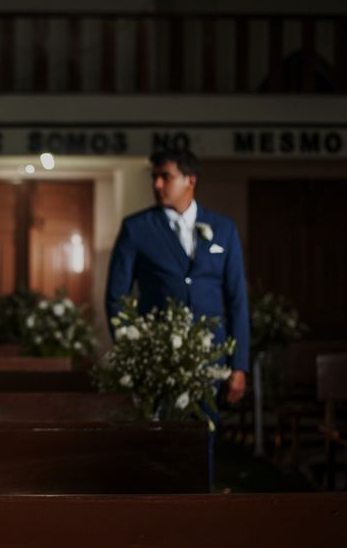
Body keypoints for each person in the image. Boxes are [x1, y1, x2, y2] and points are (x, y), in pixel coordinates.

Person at [105, 149, 249, 487]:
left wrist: (238, 365)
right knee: (155, 440)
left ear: (190, 180)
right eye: (154, 176)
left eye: (165, 176)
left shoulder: (223, 229)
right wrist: (132, 352)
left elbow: (237, 300)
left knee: (203, 435)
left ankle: (202, 512)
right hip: (156, 358)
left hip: (209, 358)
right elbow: (117, 298)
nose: (157, 184)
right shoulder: (136, 228)